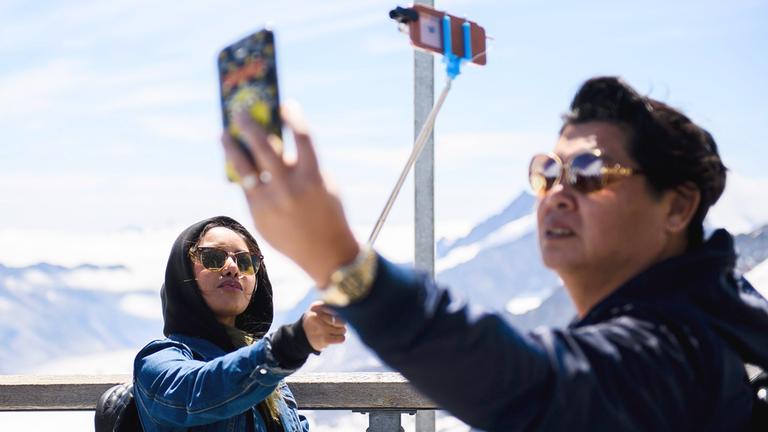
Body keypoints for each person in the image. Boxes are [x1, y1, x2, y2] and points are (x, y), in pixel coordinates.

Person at [222, 77, 768, 430]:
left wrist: (343, 262)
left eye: (589, 174)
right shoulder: (712, 319)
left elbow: (533, 385)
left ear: (677, 208)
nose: (558, 193)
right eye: (548, 172)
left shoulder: (676, 350)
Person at [133, 216, 347, 432]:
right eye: (213, 258)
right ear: (183, 274)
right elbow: (196, 393)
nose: (232, 268)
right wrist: (291, 344)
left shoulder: (271, 377)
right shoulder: (157, 360)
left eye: (246, 262)